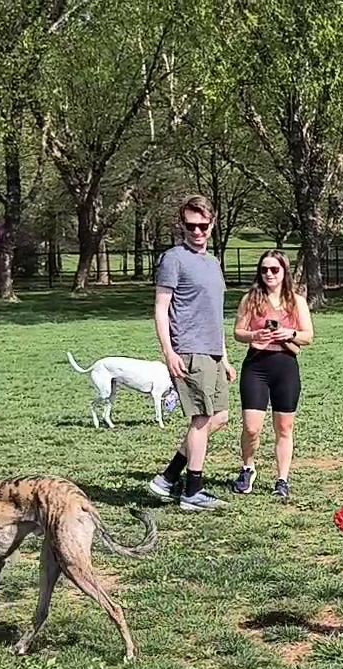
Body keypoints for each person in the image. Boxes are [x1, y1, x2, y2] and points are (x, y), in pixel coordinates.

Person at [148, 195, 233, 510]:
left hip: (211, 351)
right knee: (201, 418)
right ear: (181, 225)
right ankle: (192, 491)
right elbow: (161, 309)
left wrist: (223, 356)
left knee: (220, 417)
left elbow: (213, 312)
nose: (197, 231)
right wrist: (169, 352)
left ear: (211, 225)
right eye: (190, 226)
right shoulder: (173, 258)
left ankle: (168, 478)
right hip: (188, 350)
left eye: (202, 225)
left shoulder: (212, 262)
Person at [230, 250, 314, 499]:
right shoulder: (251, 299)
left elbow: (308, 336)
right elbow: (238, 332)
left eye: (274, 270)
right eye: (264, 269)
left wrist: (289, 334)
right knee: (251, 427)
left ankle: (282, 479)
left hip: (285, 365)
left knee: (284, 427)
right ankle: (248, 468)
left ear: (284, 272)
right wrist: (254, 336)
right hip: (256, 366)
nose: (269, 274)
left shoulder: (296, 301)